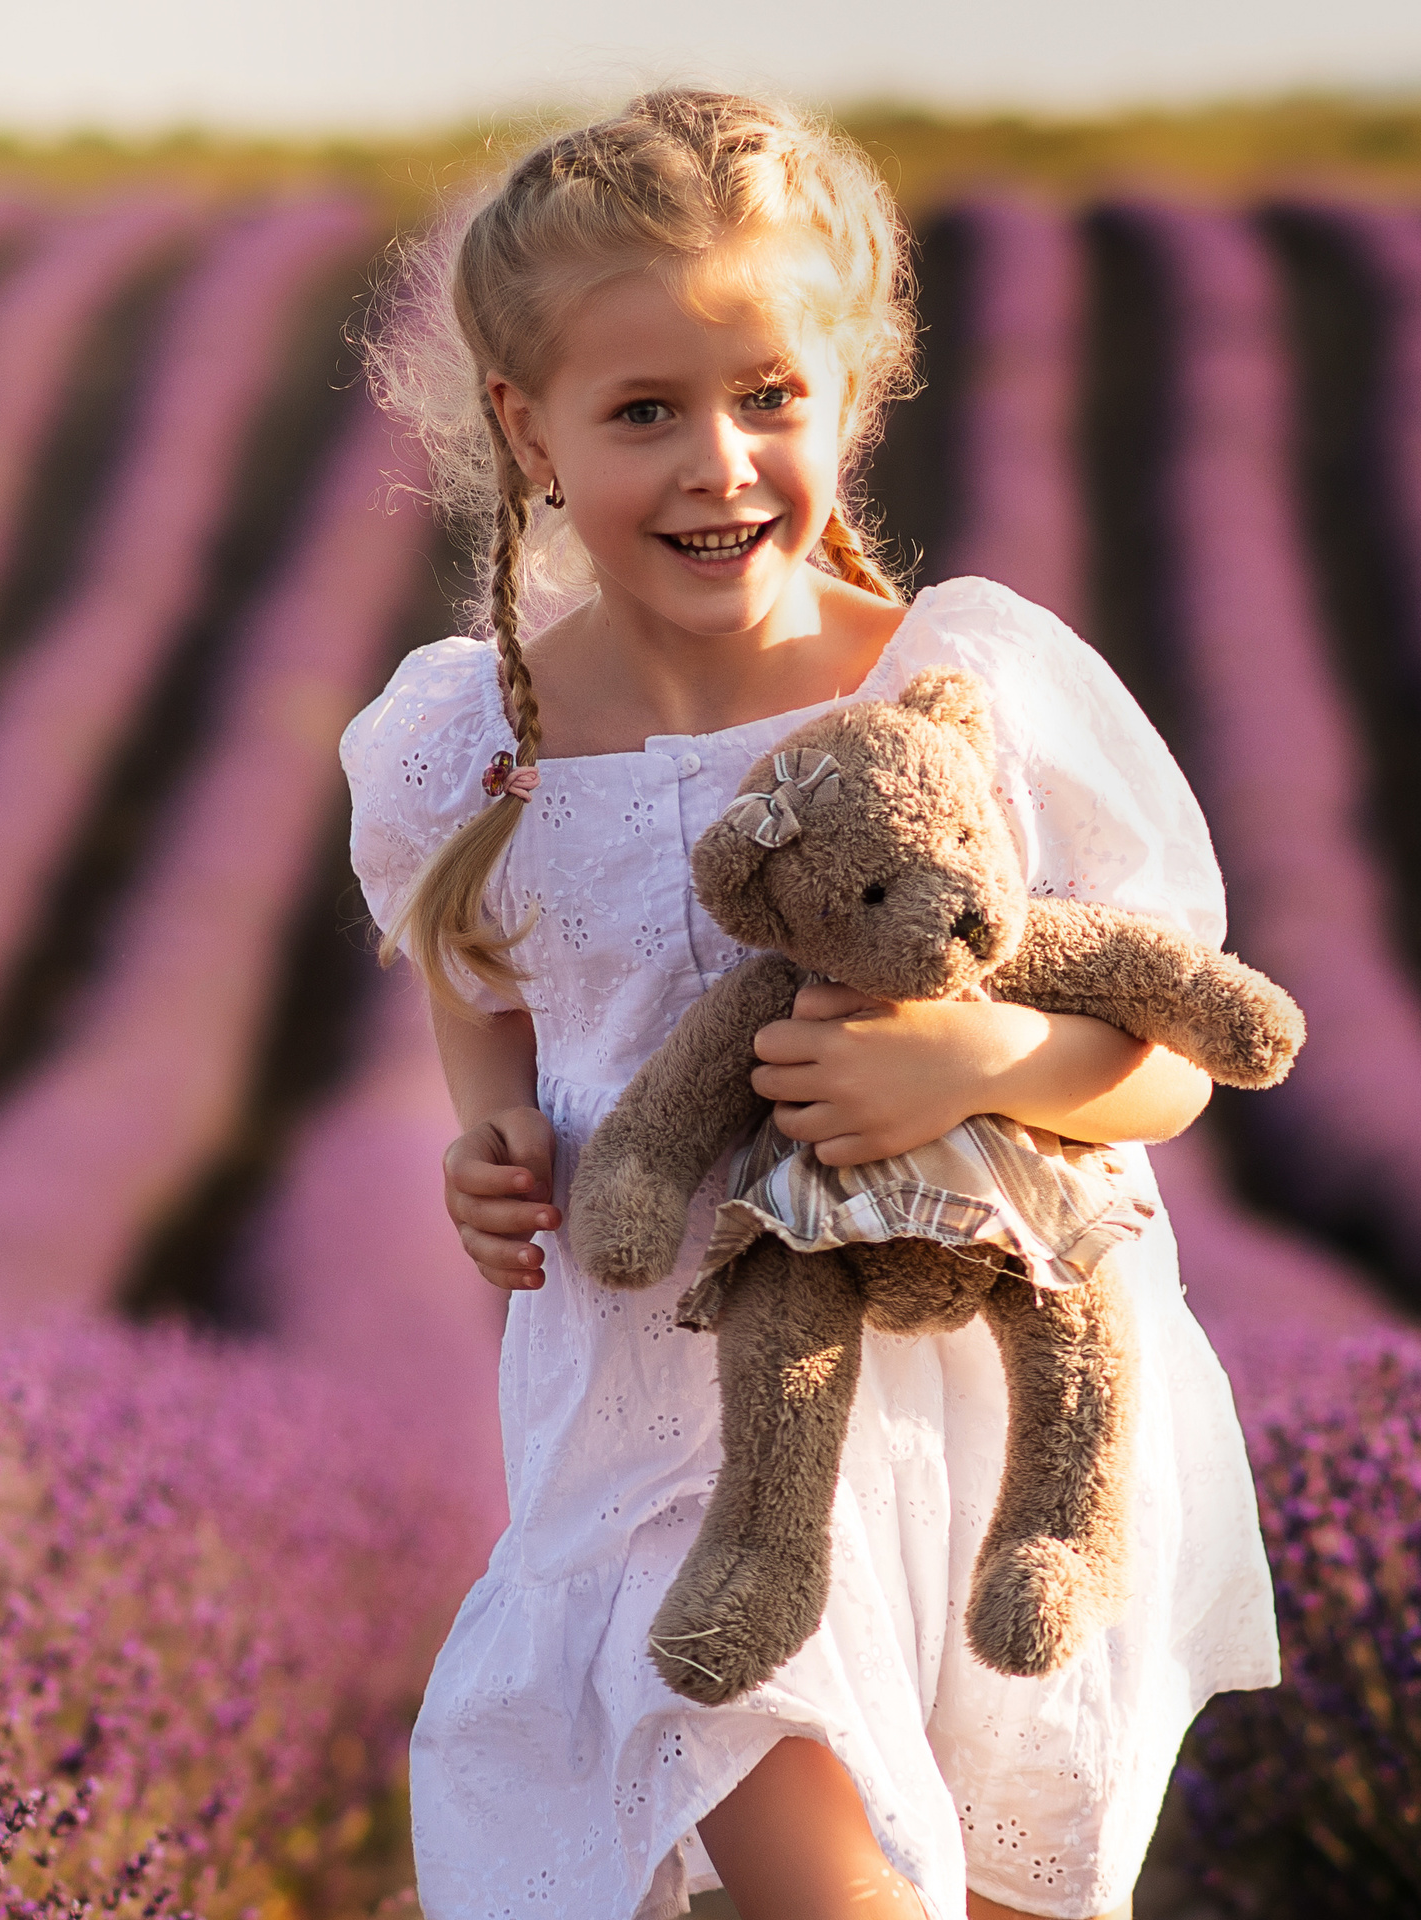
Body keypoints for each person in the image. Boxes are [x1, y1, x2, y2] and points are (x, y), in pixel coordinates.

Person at [339, 89, 1277, 1920]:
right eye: (644, 413)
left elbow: (1173, 1058)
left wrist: (988, 1057)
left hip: (985, 1412)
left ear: (851, 392)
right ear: (528, 432)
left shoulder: (966, 692)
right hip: (669, 1437)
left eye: (771, 396)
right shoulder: (472, 748)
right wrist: (486, 1145)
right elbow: (484, 988)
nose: (721, 463)